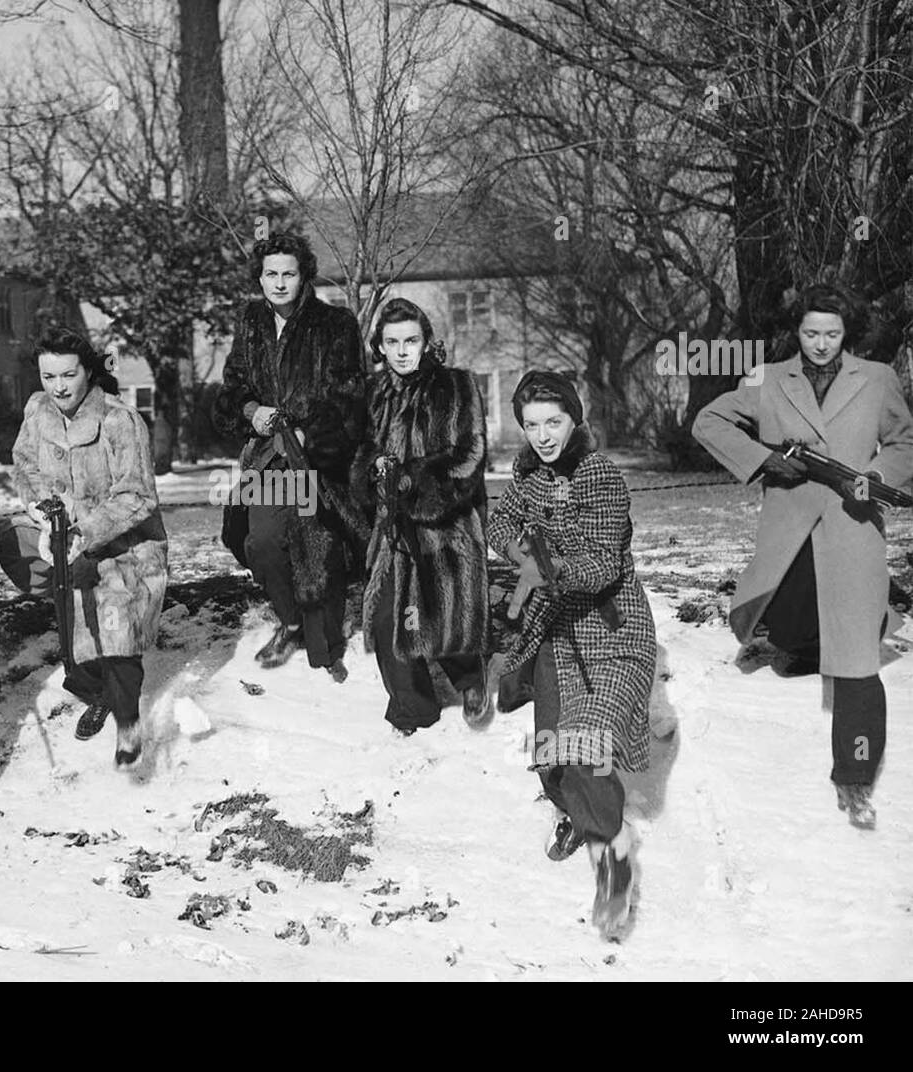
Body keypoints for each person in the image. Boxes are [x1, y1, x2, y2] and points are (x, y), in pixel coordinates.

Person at [694, 283, 913, 829]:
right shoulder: (768, 379)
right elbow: (708, 421)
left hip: (853, 530)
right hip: (789, 531)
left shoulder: (878, 378)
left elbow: (905, 441)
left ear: (847, 333)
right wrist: (764, 460)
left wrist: (877, 479)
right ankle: (804, 646)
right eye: (811, 333)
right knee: (788, 631)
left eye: (832, 334)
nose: (820, 344)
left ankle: (855, 779)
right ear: (798, 331)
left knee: (857, 661)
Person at [488, 370, 656, 937]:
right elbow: (501, 521)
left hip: (610, 627)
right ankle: (572, 812)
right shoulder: (529, 474)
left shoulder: (601, 476)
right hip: (555, 631)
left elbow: (607, 561)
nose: (542, 435)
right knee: (550, 746)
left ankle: (613, 853)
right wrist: (519, 551)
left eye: (553, 422)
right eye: (531, 424)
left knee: (587, 743)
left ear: (574, 419)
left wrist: (551, 568)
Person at [0, 327, 167, 766]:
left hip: (125, 546)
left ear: (88, 372)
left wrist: (85, 531)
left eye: (68, 375)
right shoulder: (38, 412)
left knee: (117, 633)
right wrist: (40, 507)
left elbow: (138, 495)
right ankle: (101, 695)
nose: (58, 387)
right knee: (79, 639)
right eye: (48, 376)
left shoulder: (119, 420)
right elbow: (24, 466)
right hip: (64, 541)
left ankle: (129, 728)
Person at [211, 232, 367, 681]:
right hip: (268, 458)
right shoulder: (252, 322)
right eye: (270, 274)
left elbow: (349, 397)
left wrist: (307, 430)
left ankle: (325, 639)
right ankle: (291, 620)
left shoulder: (335, 324)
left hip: (319, 459)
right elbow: (233, 387)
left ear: (304, 277)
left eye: (289, 274)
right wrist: (250, 411)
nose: (279, 283)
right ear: (259, 278)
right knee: (259, 543)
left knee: (316, 548)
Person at [350, 298, 491, 735]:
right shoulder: (374, 393)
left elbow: (469, 455)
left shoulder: (456, 385)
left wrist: (414, 482)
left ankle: (469, 676)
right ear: (380, 346)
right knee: (389, 616)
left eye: (411, 340)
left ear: (427, 341)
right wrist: (372, 473)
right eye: (391, 342)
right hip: (390, 525)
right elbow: (360, 453)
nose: (402, 350)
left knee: (445, 604)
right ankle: (414, 709)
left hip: (446, 520)